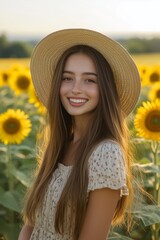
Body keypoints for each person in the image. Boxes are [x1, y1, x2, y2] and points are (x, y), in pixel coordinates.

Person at [18, 28, 141, 240]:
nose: (75, 89)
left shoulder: (106, 154)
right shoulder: (60, 144)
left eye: (89, 80)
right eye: (67, 78)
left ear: (105, 89)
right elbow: (30, 225)